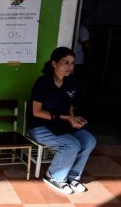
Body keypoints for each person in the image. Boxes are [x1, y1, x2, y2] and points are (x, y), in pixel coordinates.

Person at [27, 47, 96, 194]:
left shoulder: (70, 81)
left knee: (89, 140)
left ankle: (72, 176)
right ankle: (54, 176)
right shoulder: (43, 83)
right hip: (40, 127)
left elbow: (69, 105)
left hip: (63, 124)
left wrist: (73, 119)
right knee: (71, 144)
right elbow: (36, 112)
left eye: (72, 63)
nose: (69, 67)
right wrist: (67, 118)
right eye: (65, 63)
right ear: (54, 63)